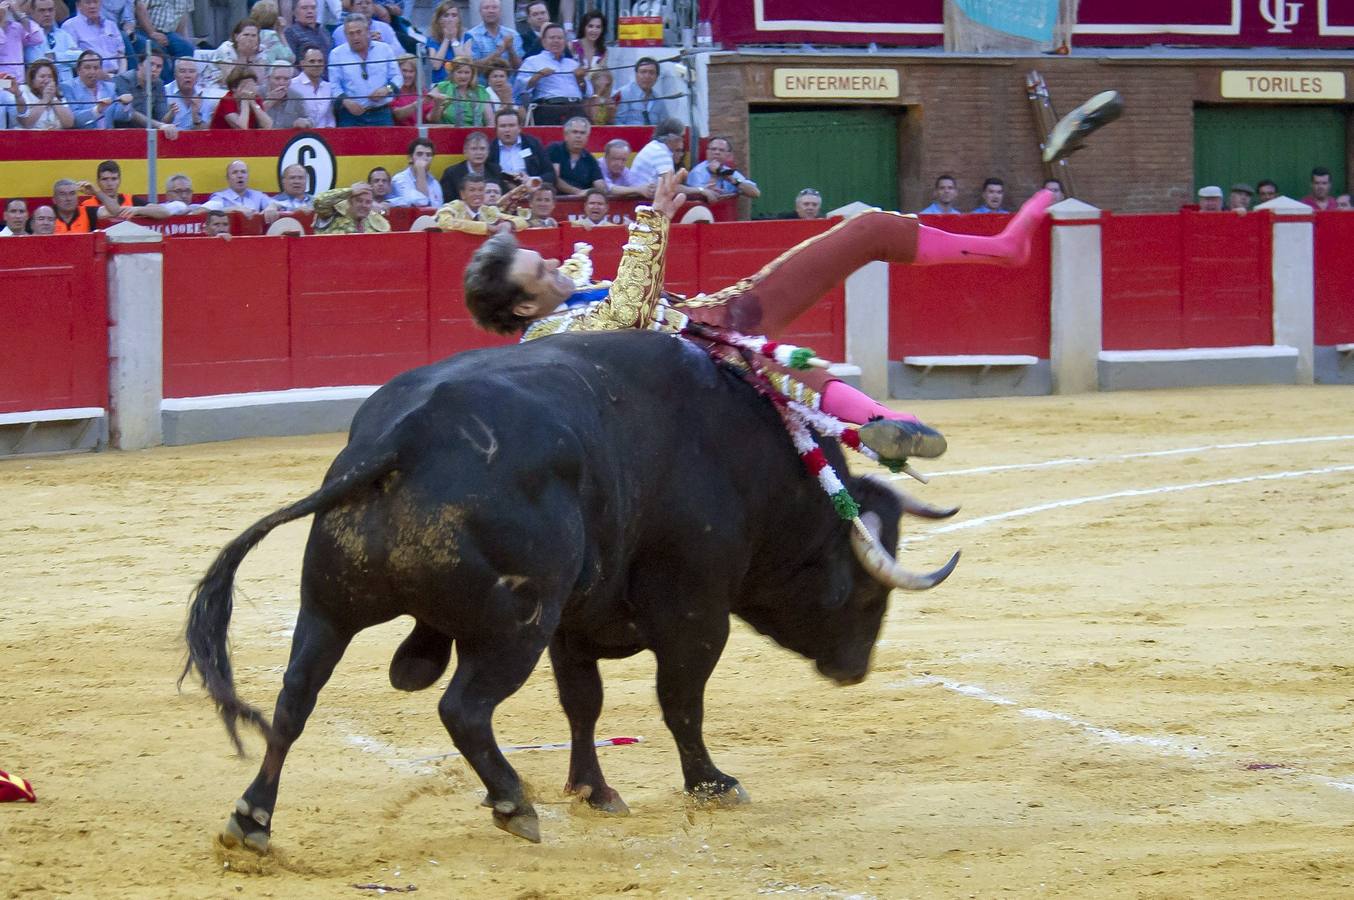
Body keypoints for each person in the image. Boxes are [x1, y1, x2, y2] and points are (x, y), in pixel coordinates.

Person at [463, 170, 1064, 466]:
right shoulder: (547, 341)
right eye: (539, 275)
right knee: (764, 362)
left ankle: (1003, 248)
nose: (555, 271)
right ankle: (875, 426)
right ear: (522, 308)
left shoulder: (555, 305)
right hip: (692, 370)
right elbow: (628, 312)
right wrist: (653, 220)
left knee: (870, 229)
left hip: (714, 321)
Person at [330, 12, 399, 126]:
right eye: (350, 34)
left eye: (359, 32)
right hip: (351, 116)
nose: (355, 37)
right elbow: (334, 85)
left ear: (367, 31)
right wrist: (346, 101)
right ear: (345, 35)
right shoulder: (336, 54)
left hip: (381, 113)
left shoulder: (384, 49)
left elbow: (397, 77)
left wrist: (386, 89)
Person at [515, 22, 587, 125]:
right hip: (549, 108)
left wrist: (580, 79)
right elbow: (519, 89)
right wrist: (538, 76)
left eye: (560, 38)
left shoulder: (573, 64)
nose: (556, 41)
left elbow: (587, 93)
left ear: (565, 41)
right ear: (544, 42)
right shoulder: (532, 61)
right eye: (552, 38)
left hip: (576, 107)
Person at [433, 172, 529, 234]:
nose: (477, 194)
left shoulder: (488, 211)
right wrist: (486, 227)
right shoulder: (453, 207)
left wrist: (509, 224)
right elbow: (444, 223)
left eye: (481, 190)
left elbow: (523, 221)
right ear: (463, 194)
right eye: (472, 190)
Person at [111, 48, 175, 134]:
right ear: (140, 65)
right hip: (123, 133)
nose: (154, 69)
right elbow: (130, 112)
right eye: (151, 64)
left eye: (159, 66)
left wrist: (171, 114)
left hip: (148, 134)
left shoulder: (159, 84)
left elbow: (162, 119)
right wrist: (159, 125)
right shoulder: (123, 80)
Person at [488, 106, 554, 186]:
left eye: (511, 125)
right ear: (496, 129)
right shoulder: (490, 149)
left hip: (531, 193)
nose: (507, 130)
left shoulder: (533, 144)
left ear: (519, 128)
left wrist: (532, 180)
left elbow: (550, 174)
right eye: (503, 126)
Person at [61, 50, 128, 128]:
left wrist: (125, 105)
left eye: (96, 68)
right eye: (87, 68)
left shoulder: (109, 87)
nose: (92, 72)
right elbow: (74, 120)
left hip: (108, 136)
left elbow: (122, 117)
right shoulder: (68, 87)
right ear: (78, 70)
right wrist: (97, 110)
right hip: (81, 137)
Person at [685, 135, 759, 203]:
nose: (717, 152)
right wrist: (714, 174)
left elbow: (755, 193)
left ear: (728, 155)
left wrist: (732, 179)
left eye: (721, 150)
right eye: (713, 149)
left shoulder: (728, 171)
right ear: (707, 152)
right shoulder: (697, 172)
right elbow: (697, 197)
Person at [61, 0, 125, 77]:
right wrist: (100, 75)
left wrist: (121, 75)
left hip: (117, 75)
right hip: (91, 77)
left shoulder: (111, 25)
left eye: (95, 2)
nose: (92, 6)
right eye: (88, 3)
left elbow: (121, 55)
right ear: (78, 5)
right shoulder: (70, 26)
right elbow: (74, 60)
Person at [547, 115, 604, 196]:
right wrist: (577, 192)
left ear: (587, 137)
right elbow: (554, 179)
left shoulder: (589, 158)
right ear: (566, 135)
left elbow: (599, 182)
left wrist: (599, 189)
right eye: (575, 132)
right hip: (556, 200)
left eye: (582, 133)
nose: (578, 136)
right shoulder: (555, 149)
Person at [133, 0, 199, 71]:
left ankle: (177, 80)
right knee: (158, 52)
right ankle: (163, 81)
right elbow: (140, 8)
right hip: (144, 30)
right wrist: (152, 33)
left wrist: (183, 40)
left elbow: (183, 16)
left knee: (186, 48)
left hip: (169, 33)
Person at [439, 129, 502, 201]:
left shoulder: (495, 170)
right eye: (474, 149)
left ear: (488, 151)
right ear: (465, 151)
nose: (479, 153)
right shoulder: (451, 173)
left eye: (482, 149)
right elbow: (447, 202)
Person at [465, 0, 521, 79]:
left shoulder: (513, 35)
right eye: (486, 8)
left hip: (509, 87)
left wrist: (510, 49)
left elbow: (518, 68)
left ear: (500, 11)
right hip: (482, 88)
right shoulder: (471, 36)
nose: (491, 11)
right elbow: (473, 67)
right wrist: (498, 52)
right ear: (480, 12)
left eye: (494, 7)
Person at [429, 54, 490, 126]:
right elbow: (432, 119)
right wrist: (438, 104)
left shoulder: (481, 90)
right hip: (449, 134)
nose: (463, 76)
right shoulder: (442, 87)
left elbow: (490, 120)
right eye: (459, 72)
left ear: (472, 74)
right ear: (452, 73)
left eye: (467, 72)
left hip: (477, 135)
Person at [17, 58, 75, 128]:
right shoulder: (24, 91)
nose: (47, 80)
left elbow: (69, 124)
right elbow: (27, 124)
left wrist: (53, 99)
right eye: (42, 76)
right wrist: (44, 100)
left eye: (50, 76)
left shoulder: (58, 94)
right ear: (33, 80)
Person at [312, 181, 390, 233]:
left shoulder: (377, 222)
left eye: (368, 202)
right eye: (359, 201)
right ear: (349, 202)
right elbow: (319, 201)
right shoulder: (333, 212)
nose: (363, 205)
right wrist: (350, 191)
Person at [165, 56, 219, 130]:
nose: (187, 76)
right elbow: (157, 125)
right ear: (175, 75)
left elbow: (204, 132)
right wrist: (170, 116)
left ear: (197, 76)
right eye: (182, 71)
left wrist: (196, 116)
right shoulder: (164, 92)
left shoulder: (204, 95)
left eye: (192, 71)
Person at [22, 0, 80, 71]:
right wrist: (67, 57)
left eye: (50, 10)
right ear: (32, 13)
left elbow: (78, 58)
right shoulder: (31, 37)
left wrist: (55, 56)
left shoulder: (64, 35)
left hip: (68, 82)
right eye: (42, 10)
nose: (47, 14)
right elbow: (36, 64)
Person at [389, 136, 443, 207]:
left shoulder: (435, 183)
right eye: (419, 154)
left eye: (428, 155)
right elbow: (421, 203)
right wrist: (421, 171)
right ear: (410, 158)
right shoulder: (399, 179)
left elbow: (438, 209)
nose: (424, 158)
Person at [611, 56, 666, 127]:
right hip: (628, 136)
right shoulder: (623, 94)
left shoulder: (658, 99)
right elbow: (617, 122)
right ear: (636, 74)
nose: (647, 76)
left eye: (651, 73)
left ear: (657, 77)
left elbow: (664, 124)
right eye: (643, 72)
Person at [208, 159, 277, 215]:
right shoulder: (220, 197)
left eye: (243, 172)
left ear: (247, 176)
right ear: (228, 178)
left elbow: (281, 203)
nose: (240, 176)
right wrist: (235, 209)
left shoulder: (258, 195)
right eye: (235, 172)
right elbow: (210, 211)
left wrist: (272, 206)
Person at [289, 45, 334, 127]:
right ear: (302, 64)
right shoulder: (292, 85)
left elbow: (329, 117)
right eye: (312, 61)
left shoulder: (328, 87)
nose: (317, 64)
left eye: (320, 61)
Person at [629, 117, 682, 185]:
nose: (682, 143)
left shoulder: (654, 146)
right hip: (642, 194)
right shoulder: (661, 153)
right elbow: (670, 187)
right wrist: (699, 189)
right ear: (672, 138)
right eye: (681, 137)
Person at [425, 0, 467, 81]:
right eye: (446, 15)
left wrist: (454, 39)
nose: (450, 19)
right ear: (440, 20)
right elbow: (436, 65)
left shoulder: (466, 37)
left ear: (459, 19)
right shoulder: (432, 39)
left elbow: (465, 64)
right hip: (439, 85)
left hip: (461, 83)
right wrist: (447, 39)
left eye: (454, 15)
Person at [390, 52, 436, 124]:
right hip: (398, 132)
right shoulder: (390, 88)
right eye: (404, 70)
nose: (407, 75)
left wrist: (438, 104)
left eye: (411, 71)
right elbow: (396, 115)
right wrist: (416, 105)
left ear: (416, 73)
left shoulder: (421, 91)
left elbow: (430, 119)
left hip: (418, 133)